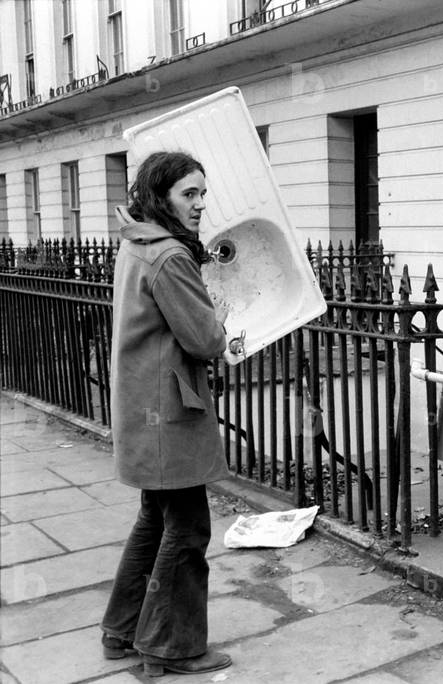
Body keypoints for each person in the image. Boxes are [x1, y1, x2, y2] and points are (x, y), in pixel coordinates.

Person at [100, 151, 234, 677]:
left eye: (203, 192)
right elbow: (203, 339)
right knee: (188, 528)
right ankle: (170, 647)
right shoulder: (169, 257)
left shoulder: (139, 244)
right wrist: (218, 316)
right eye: (189, 194)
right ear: (163, 196)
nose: (201, 204)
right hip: (168, 411)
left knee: (156, 520)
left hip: (145, 404)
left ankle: (121, 630)